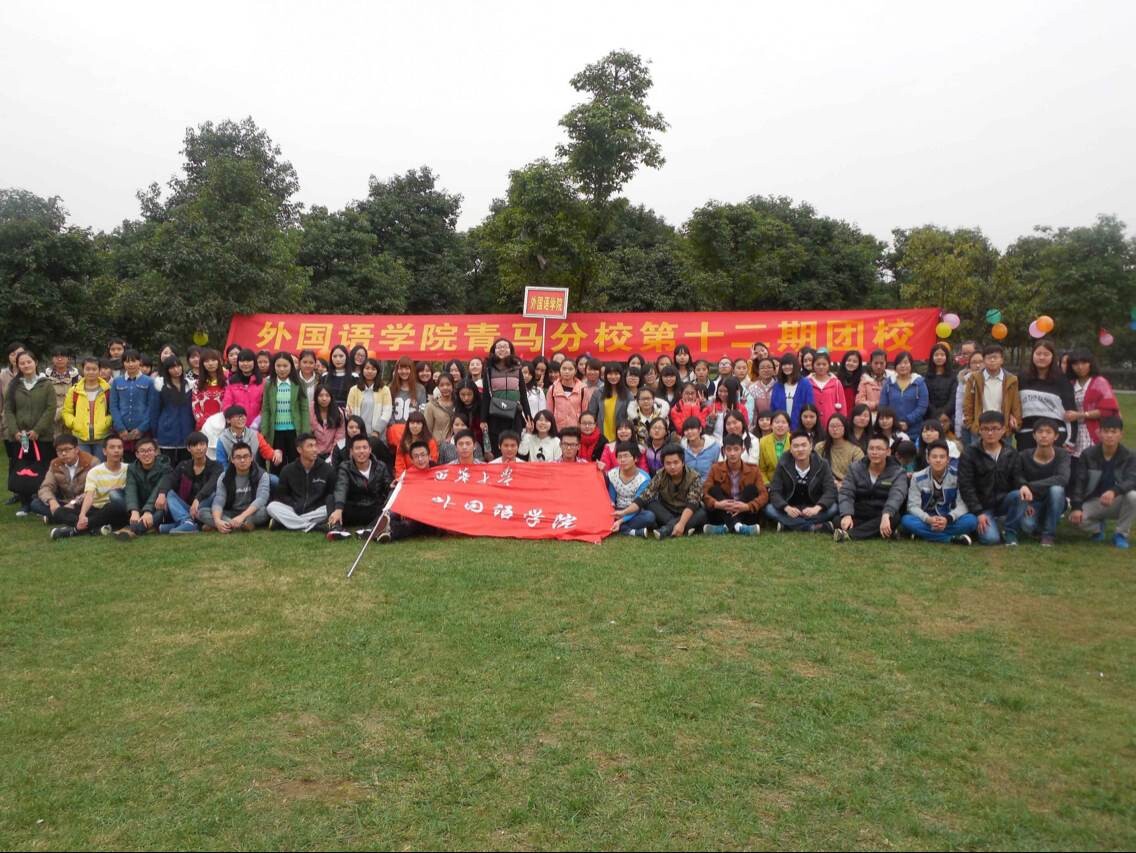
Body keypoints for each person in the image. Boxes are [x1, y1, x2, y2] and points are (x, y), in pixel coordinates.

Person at [958, 410, 1025, 545]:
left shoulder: (1011, 452)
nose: (990, 433)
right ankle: (985, 524)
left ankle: (1010, 532)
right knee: (991, 539)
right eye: (985, 429)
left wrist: (1024, 487)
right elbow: (966, 486)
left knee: (1020, 494)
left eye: (995, 429)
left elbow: (1018, 477)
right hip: (982, 506)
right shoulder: (969, 453)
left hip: (1003, 501)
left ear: (1003, 430)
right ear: (979, 430)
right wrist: (978, 512)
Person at [1069, 416, 1135, 549]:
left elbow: (1133, 479)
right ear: (1099, 433)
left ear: (1121, 434)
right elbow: (1079, 482)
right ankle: (1097, 529)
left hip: (1117, 500)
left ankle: (1121, 534)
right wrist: (1076, 507)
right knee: (1074, 519)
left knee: (1133, 496)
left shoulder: (1130, 455)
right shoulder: (1088, 454)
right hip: (1094, 500)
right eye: (1106, 431)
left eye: (1114, 432)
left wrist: (1114, 491)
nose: (1110, 435)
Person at [615, 444, 706, 538]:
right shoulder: (660, 475)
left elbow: (692, 504)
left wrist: (681, 524)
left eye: (676, 462)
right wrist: (624, 512)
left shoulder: (694, 477)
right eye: (668, 463)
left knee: (701, 513)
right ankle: (683, 528)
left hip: (687, 511)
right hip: (667, 512)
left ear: (683, 462)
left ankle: (667, 529)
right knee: (650, 504)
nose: (672, 467)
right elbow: (643, 497)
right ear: (663, 464)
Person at [48, 435, 129, 539]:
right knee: (59, 512)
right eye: (112, 447)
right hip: (96, 509)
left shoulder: (129, 469)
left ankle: (75, 531)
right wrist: (82, 515)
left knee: (114, 506)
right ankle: (96, 527)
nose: (116, 450)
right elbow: (89, 495)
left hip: (116, 509)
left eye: (119, 447)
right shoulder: (95, 471)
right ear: (104, 451)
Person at [5, 350, 57, 512]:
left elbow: (51, 409)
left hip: (42, 437)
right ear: (18, 366)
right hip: (20, 437)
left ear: (35, 362)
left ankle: (42, 501)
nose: (26, 365)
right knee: (23, 468)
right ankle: (25, 503)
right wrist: (15, 431)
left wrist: (37, 430)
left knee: (43, 469)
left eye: (29, 362)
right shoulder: (14, 385)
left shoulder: (46, 384)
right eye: (22, 363)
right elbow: (8, 410)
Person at [900, 440, 978, 545]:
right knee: (906, 520)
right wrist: (928, 519)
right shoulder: (917, 477)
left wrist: (948, 518)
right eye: (934, 457)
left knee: (971, 520)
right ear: (928, 459)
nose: (938, 460)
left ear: (948, 460)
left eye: (942, 457)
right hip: (927, 519)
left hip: (949, 519)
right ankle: (951, 539)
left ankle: (923, 534)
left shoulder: (958, 476)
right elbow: (913, 506)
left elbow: (962, 505)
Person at [834, 435, 908, 542]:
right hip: (860, 510)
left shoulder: (898, 472)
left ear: (888, 451)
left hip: (881, 512)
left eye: (879, 449)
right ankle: (882, 531)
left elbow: (897, 495)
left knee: (894, 518)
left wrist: (886, 514)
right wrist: (847, 514)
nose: (874, 452)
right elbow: (846, 492)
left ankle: (849, 535)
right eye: (871, 448)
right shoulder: (855, 468)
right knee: (838, 520)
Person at [764, 429, 839, 533]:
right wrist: (786, 508)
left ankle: (789, 525)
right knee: (769, 509)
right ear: (790, 449)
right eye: (796, 446)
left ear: (811, 446)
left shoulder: (822, 464)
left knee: (834, 508)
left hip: (814, 507)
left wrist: (817, 508)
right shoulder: (783, 464)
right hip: (790, 508)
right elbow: (775, 491)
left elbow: (830, 491)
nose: (800, 449)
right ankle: (812, 527)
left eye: (804, 445)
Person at [372, 441, 445, 543]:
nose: (420, 459)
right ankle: (379, 529)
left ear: (429, 456)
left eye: (423, 455)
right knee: (391, 513)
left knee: (410, 524)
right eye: (416, 456)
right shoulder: (408, 474)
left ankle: (388, 532)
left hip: (430, 513)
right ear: (412, 459)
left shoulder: (441, 472)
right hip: (411, 511)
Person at [327, 433, 392, 540]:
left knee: (389, 504)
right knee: (330, 498)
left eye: (364, 448)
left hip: (373, 509)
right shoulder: (345, 467)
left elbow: (387, 487)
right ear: (351, 451)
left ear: (370, 450)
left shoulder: (381, 466)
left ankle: (371, 528)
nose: (361, 451)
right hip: (352, 509)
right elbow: (341, 487)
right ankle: (336, 527)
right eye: (357, 448)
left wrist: (391, 486)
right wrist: (339, 509)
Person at [1017, 418, 1071, 546]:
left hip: (1054, 499)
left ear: (1056, 436)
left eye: (1048, 432)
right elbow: (1018, 477)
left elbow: (1062, 478)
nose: (1044, 435)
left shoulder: (1062, 455)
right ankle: (1041, 525)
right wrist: (1025, 503)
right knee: (1027, 526)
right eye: (1040, 432)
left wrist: (1029, 485)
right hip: (1032, 502)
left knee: (1057, 489)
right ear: (1034, 435)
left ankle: (1048, 534)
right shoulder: (1023, 456)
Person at [266, 432, 335, 533]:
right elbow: (281, 496)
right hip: (294, 509)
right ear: (299, 450)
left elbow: (331, 495)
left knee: (329, 508)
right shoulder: (288, 470)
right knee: (271, 507)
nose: (315, 449)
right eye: (310, 446)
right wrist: (295, 505)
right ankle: (312, 527)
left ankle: (285, 523)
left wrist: (315, 505)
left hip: (316, 510)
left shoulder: (327, 469)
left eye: (315, 445)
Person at [1017, 339, 1077, 452]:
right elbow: (1014, 404)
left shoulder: (1062, 380)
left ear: (1053, 357)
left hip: (1055, 436)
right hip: (1026, 435)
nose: (1041, 357)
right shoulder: (1022, 378)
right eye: (1038, 354)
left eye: (1046, 354)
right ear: (1032, 355)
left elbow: (1070, 412)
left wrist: (1070, 440)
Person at [702, 432, 767, 535]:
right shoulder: (715, 468)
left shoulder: (753, 470)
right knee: (713, 490)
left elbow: (764, 495)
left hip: (745, 512)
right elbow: (705, 492)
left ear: (742, 450)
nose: (732, 453)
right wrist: (717, 504)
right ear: (724, 451)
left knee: (751, 489)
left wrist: (747, 506)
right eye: (729, 449)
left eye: (736, 449)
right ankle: (738, 527)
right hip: (722, 511)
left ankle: (725, 528)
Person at [157, 431, 221, 534]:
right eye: (195, 445)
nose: (199, 448)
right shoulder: (183, 465)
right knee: (170, 494)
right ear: (188, 448)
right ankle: (187, 521)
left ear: (207, 446)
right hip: (186, 507)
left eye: (202, 444)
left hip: (203, 505)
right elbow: (170, 479)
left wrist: (198, 499)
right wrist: (162, 493)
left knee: (213, 494)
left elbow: (211, 484)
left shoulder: (216, 466)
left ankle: (184, 524)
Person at [1066, 348, 1120, 469]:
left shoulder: (1100, 382)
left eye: (1084, 362)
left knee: (1093, 469)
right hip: (1074, 434)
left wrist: (1081, 415)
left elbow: (1109, 410)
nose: (1080, 367)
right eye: (1075, 364)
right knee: (1075, 468)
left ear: (1090, 363)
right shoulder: (1070, 384)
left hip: (1093, 432)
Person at [202, 441, 270, 532]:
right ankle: (239, 525)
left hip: (251, 512)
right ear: (232, 460)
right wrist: (217, 520)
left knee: (265, 511)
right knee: (202, 512)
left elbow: (261, 499)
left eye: (246, 456)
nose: (242, 460)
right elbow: (219, 500)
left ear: (252, 458)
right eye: (238, 457)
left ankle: (224, 525)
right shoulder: (224, 477)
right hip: (231, 512)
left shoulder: (261, 475)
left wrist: (242, 516)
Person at [260, 351, 311, 468]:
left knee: (296, 463)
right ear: (273, 366)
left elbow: (304, 409)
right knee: (276, 463)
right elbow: (266, 409)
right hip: (275, 431)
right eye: (278, 366)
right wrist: (264, 431)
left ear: (291, 366)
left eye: (285, 366)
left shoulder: (299, 383)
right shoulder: (269, 384)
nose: (282, 369)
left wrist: (305, 432)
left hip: (294, 431)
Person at [114, 437, 173, 540]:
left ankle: (132, 529)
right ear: (137, 454)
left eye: (149, 450)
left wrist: (147, 511)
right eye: (142, 451)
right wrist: (134, 510)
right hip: (139, 504)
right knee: (114, 494)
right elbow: (131, 489)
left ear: (155, 452)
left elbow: (157, 490)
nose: (146, 454)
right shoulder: (132, 468)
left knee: (160, 511)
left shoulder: (165, 468)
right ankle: (145, 525)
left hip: (156, 504)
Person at [30, 434, 96, 524]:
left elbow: (94, 490)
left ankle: (57, 517)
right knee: (35, 503)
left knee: (96, 506)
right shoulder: (55, 464)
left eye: (67, 449)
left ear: (76, 449)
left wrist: (73, 503)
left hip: (85, 502)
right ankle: (67, 517)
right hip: (65, 503)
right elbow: (45, 487)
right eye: (59, 451)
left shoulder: (91, 462)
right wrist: (52, 501)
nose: (63, 453)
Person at [483, 338, 533, 457]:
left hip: (514, 415)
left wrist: (529, 416)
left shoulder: (517, 369)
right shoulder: (489, 370)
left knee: (514, 447)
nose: (502, 349)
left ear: (510, 350)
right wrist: (483, 419)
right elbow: (486, 395)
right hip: (495, 415)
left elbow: (523, 395)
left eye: (505, 347)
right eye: (499, 347)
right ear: (494, 350)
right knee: (498, 449)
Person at [962, 344, 1021, 443]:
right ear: (984, 361)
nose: (992, 360)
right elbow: (967, 404)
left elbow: (1016, 405)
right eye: (989, 358)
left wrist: (1015, 424)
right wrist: (972, 426)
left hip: (1003, 430)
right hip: (980, 430)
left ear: (1002, 360)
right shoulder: (974, 378)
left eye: (996, 357)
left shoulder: (1011, 380)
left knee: (1004, 453)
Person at [109, 349, 157, 459]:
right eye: (127, 361)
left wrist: (141, 428)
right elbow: (113, 406)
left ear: (139, 362)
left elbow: (151, 407)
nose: (130, 364)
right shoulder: (116, 381)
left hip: (143, 431)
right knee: (125, 461)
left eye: (134, 361)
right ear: (123, 363)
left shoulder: (149, 382)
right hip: (122, 431)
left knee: (145, 459)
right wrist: (120, 428)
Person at [153, 355, 195, 467]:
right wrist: (155, 436)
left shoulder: (190, 384)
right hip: (166, 432)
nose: (176, 370)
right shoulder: (160, 384)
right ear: (166, 370)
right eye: (172, 368)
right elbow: (155, 411)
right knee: (167, 468)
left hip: (187, 432)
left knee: (185, 467)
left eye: (178, 366)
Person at [606, 441, 655, 536]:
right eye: (619, 457)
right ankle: (632, 531)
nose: (622, 460)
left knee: (649, 516)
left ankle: (621, 528)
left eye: (626, 456)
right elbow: (611, 498)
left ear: (635, 458)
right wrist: (613, 511)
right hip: (617, 509)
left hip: (635, 510)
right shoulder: (612, 474)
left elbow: (637, 505)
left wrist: (621, 520)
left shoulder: (644, 478)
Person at [879, 351, 927, 435]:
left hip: (915, 429)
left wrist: (907, 421)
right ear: (895, 366)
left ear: (911, 365)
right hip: (892, 428)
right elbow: (883, 405)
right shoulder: (889, 383)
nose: (903, 366)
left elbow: (922, 407)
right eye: (899, 363)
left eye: (906, 362)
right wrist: (893, 422)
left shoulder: (919, 383)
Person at [387, 356, 427, 449]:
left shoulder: (420, 389)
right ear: (397, 370)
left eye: (407, 368)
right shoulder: (390, 388)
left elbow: (422, 411)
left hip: (414, 431)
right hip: (395, 432)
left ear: (411, 370)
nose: (404, 371)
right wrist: (395, 427)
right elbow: (388, 410)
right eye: (401, 368)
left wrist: (414, 427)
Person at [816, 413, 865, 488]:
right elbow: (816, 471)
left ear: (845, 427)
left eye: (838, 426)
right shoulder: (820, 447)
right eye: (832, 426)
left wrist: (842, 484)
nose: (835, 429)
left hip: (849, 487)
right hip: (826, 485)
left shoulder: (855, 450)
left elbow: (860, 474)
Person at [588, 362, 632, 443]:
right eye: (610, 374)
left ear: (621, 375)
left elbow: (631, 418)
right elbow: (591, 414)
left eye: (616, 374)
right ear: (605, 375)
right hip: (601, 436)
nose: (613, 377)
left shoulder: (628, 394)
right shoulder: (598, 393)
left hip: (621, 436)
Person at [220, 348, 265, 426]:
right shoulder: (232, 382)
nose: (245, 364)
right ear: (238, 363)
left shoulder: (262, 382)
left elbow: (266, 407)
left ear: (254, 362)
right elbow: (226, 405)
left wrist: (256, 424)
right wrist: (235, 421)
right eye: (242, 361)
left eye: (248, 361)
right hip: (236, 426)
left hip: (257, 427)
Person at [769, 354, 814, 429]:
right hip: (781, 427)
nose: (787, 367)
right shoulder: (777, 385)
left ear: (795, 365)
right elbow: (773, 408)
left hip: (800, 426)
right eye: (784, 365)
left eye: (789, 364)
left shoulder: (805, 384)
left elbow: (809, 406)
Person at [45, 346, 78, 437]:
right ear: (52, 359)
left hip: (71, 419)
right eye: (56, 356)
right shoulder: (45, 377)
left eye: (63, 356)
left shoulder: (76, 377)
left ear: (68, 358)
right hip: (52, 419)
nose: (59, 359)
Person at [545, 358, 587, 431]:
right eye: (564, 369)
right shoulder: (552, 388)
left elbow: (584, 412)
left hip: (576, 429)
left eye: (570, 369)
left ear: (575, 371)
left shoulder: (583, 389)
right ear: (560, 370)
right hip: (557, 429)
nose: (567, 371)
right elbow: (549, 412)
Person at [807, 351, 845, 430]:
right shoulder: (806, 382)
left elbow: (842, 406)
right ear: (813, 365)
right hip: (811, 422)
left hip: (831, 423)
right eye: (818, 364)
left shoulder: (836, 383)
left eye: (824, 364)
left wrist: (842, 423)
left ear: (828, 365)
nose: (821, 367)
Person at [954, 350, 985, 448]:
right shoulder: (964, 380)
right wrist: (958, 429)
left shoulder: (990, 380)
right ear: (969, 365)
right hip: (966, 425)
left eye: (981, 362)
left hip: (984, 425)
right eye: (974, 362)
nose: (978, 365)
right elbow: (959, 405)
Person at [191, 348, 226, 430]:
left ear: (219, 362)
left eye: (213, 360)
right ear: (202, 364)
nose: (210, 363)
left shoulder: (227, 382)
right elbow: (195, 406)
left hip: (223, 425)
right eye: (206, 361)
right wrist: (204, 423)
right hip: (204, 426)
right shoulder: (197, 384)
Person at [310, 384, 346, 462]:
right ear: (316, 397)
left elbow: (339, 438)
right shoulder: (311, 409)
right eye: (321, 396)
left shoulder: (338, 413)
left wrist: (331, 457)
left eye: (327, 395)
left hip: (331, 453)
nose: (324, 399)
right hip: (313, 452)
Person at [394, 411, 438, 476]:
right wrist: (403, 477)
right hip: (407, 476)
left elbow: (432, 461)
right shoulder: (402, 442)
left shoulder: (430, 442)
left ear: (423, 425)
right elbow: (399, 465)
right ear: (408, 425)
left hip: (426, 475)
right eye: (412, 423)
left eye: (418, 423)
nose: (415, 426)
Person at [758, 410, 792, 486]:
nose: (780, 425)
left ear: (788, 426)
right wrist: (767, 483)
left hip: (791, 483)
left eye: (783, 422)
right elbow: (761, 469)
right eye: (777, 422)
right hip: (770, 483)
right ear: (771, 425)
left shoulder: (794, 440)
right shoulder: (763, 442)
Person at [924, 343, 958, 420]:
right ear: (932, 357)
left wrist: (945, 413)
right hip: (930, 416)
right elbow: (925, 398)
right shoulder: (926, 377)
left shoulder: (953, 377)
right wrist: (935, 413)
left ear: (946, 357)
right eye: (936, 355)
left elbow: (953, 398)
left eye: (942, 355)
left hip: (948, 416)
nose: (939, 357)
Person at [856, 349, 894, 414]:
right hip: (870, 417)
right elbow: (859, 402)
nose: (879, 366)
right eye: (876, 363)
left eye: (881, 363)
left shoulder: (893, 378)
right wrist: (876, 405)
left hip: (889, 417)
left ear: (886, 363)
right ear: (871, 363)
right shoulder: (865, 380)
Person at [423, 374, 457, 445]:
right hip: (437, 445)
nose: (445, 387)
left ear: (453, 385)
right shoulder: (431, 406)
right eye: (442, 385)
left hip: (456, 445)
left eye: (448, 384)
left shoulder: (458, 405)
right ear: (438, 387)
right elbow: (427, 430)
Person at [323, 345, 353, 409]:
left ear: (346, 357)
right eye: (335, 356)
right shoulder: (325, 376)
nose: (338, 359)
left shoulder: (354, 377)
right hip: (328, 411)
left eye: (341, 356)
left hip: (347, 411)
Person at [837, 350, 864, 417]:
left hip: (855, 415)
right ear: (844, 362)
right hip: (839, 414)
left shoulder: (862, 380)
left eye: (855, 361)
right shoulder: (836, 379)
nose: (851, 363)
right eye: (849, 360)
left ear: (859, 364)